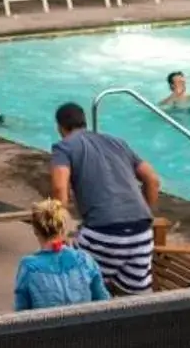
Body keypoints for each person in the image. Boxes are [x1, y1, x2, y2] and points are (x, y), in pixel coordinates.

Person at [47, 102, 161, 294]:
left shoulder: (64, 147)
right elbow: (153, 180)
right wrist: (141, 213)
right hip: (142, 234)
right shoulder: (117, 142)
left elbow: (59, 188)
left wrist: (58, 234)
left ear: (60, 127)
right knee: (137, 300)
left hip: (103, 234)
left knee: (73, 288)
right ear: (85, 122)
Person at [14, 198, 110, 312]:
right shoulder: (84, 260)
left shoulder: (28, 267)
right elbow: (103, 301)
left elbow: (21, 312)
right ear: (63, 229)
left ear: (35, 230)